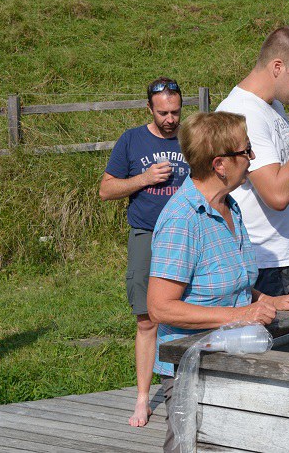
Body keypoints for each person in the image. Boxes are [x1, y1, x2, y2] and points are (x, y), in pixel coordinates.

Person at [146, 112, 289, 452]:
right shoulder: (183, 219)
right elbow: (160, 307)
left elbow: (232, 283)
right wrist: (240, 315)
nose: (252, 158)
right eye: (247, 151)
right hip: (190, 366)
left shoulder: (231, 205)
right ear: (220, 164)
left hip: (229, 353)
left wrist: (267, 300)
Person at [215, 26, 289, 297]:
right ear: (278, 67)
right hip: (260, 265)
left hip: (282, 260)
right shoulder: (242, 113)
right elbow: (278, 194)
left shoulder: (272, 106)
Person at [98, 77, 188, 427]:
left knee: (192, 311)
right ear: (149, 108)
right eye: (163, 112)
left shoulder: (190, 137)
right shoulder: (131, 140)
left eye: (176, 112)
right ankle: (141, 400)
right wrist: (144, 179)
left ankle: (187, 387)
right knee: (147, 317)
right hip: (147, 235)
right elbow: (106, 190)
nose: (170, 119)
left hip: (186, 234)